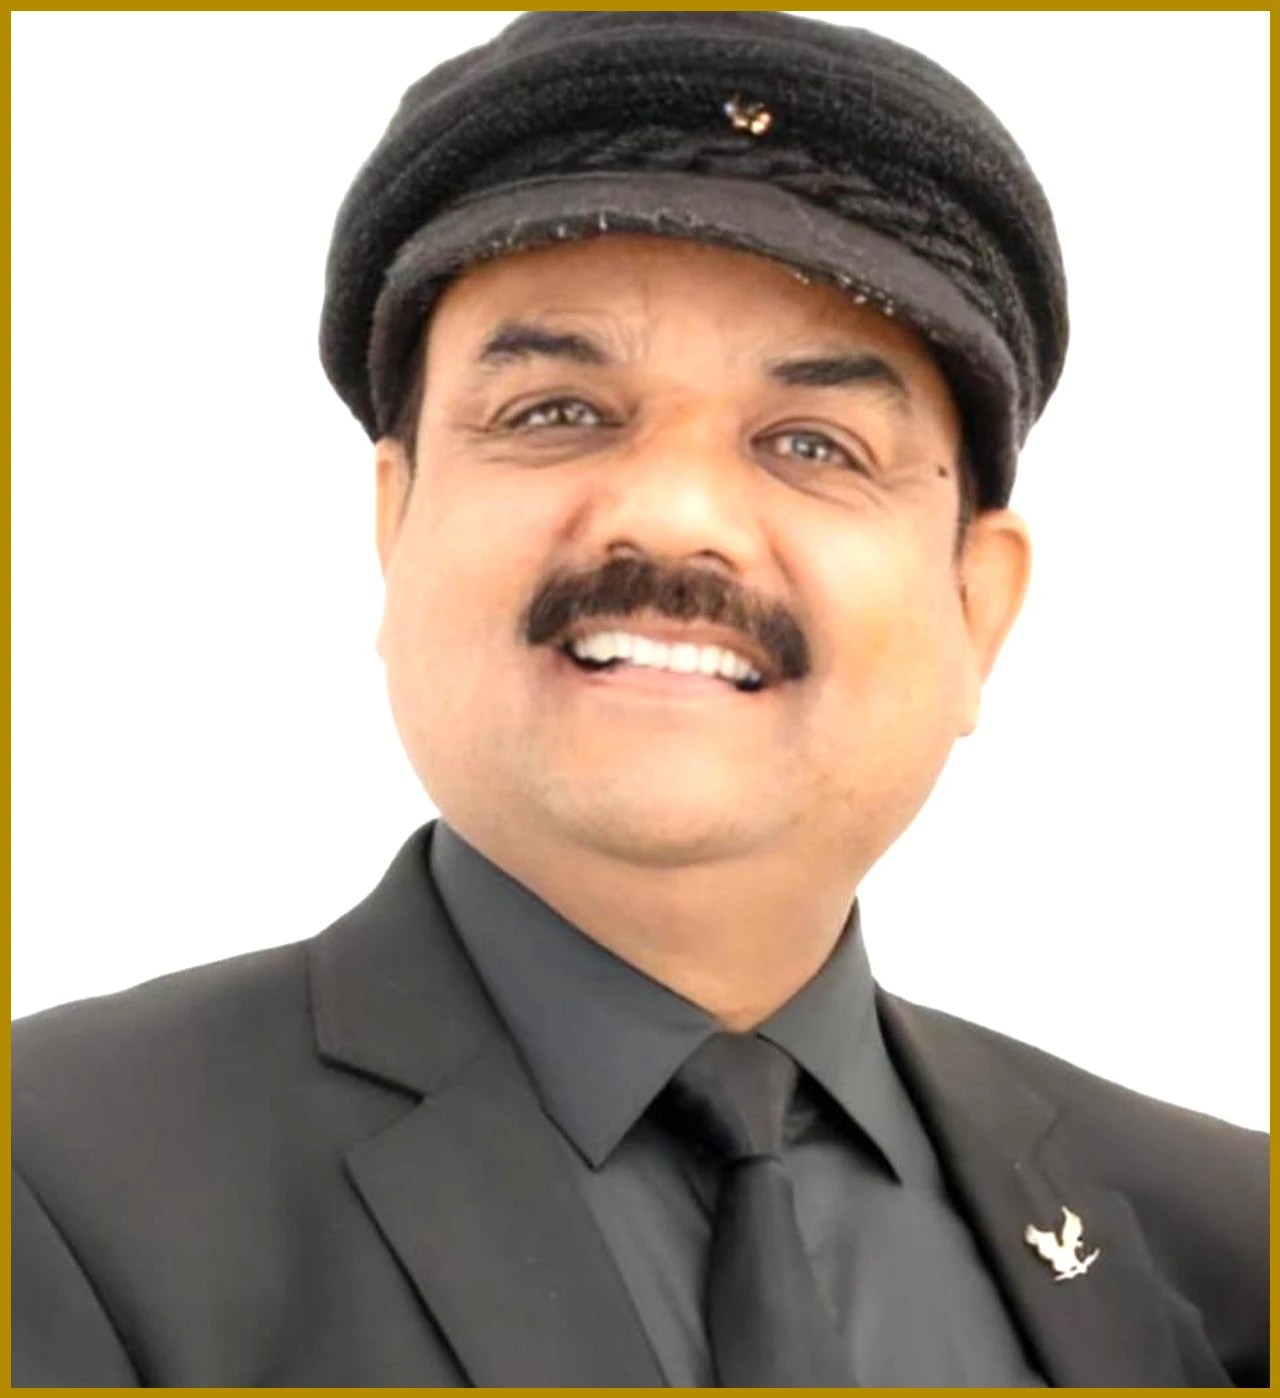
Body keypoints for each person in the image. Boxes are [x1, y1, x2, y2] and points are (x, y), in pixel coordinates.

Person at [12, 10, 1266, 1388]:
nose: (672, 514)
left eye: (813, 443)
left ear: (979, 607)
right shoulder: (57, 1183)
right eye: (557, 413)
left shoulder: (1228, 1252)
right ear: (395, 523)